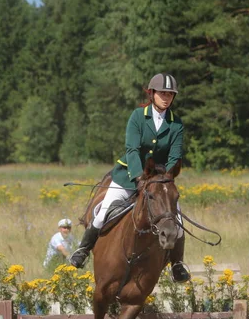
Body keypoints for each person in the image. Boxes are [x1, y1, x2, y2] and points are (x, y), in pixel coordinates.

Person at [69, 73, 190, 283]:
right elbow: (132, 149)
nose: (166, 97)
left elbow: (175, 156)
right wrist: (138, 178)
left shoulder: (176, 124)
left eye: (170, 94)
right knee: (104, 210)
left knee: (176, 219)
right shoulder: (137, 116)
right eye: (163, 93)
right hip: (128, 175)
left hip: (158, 181)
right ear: (152, 94)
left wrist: (165, 178)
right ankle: (83, 249)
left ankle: (177, 263)